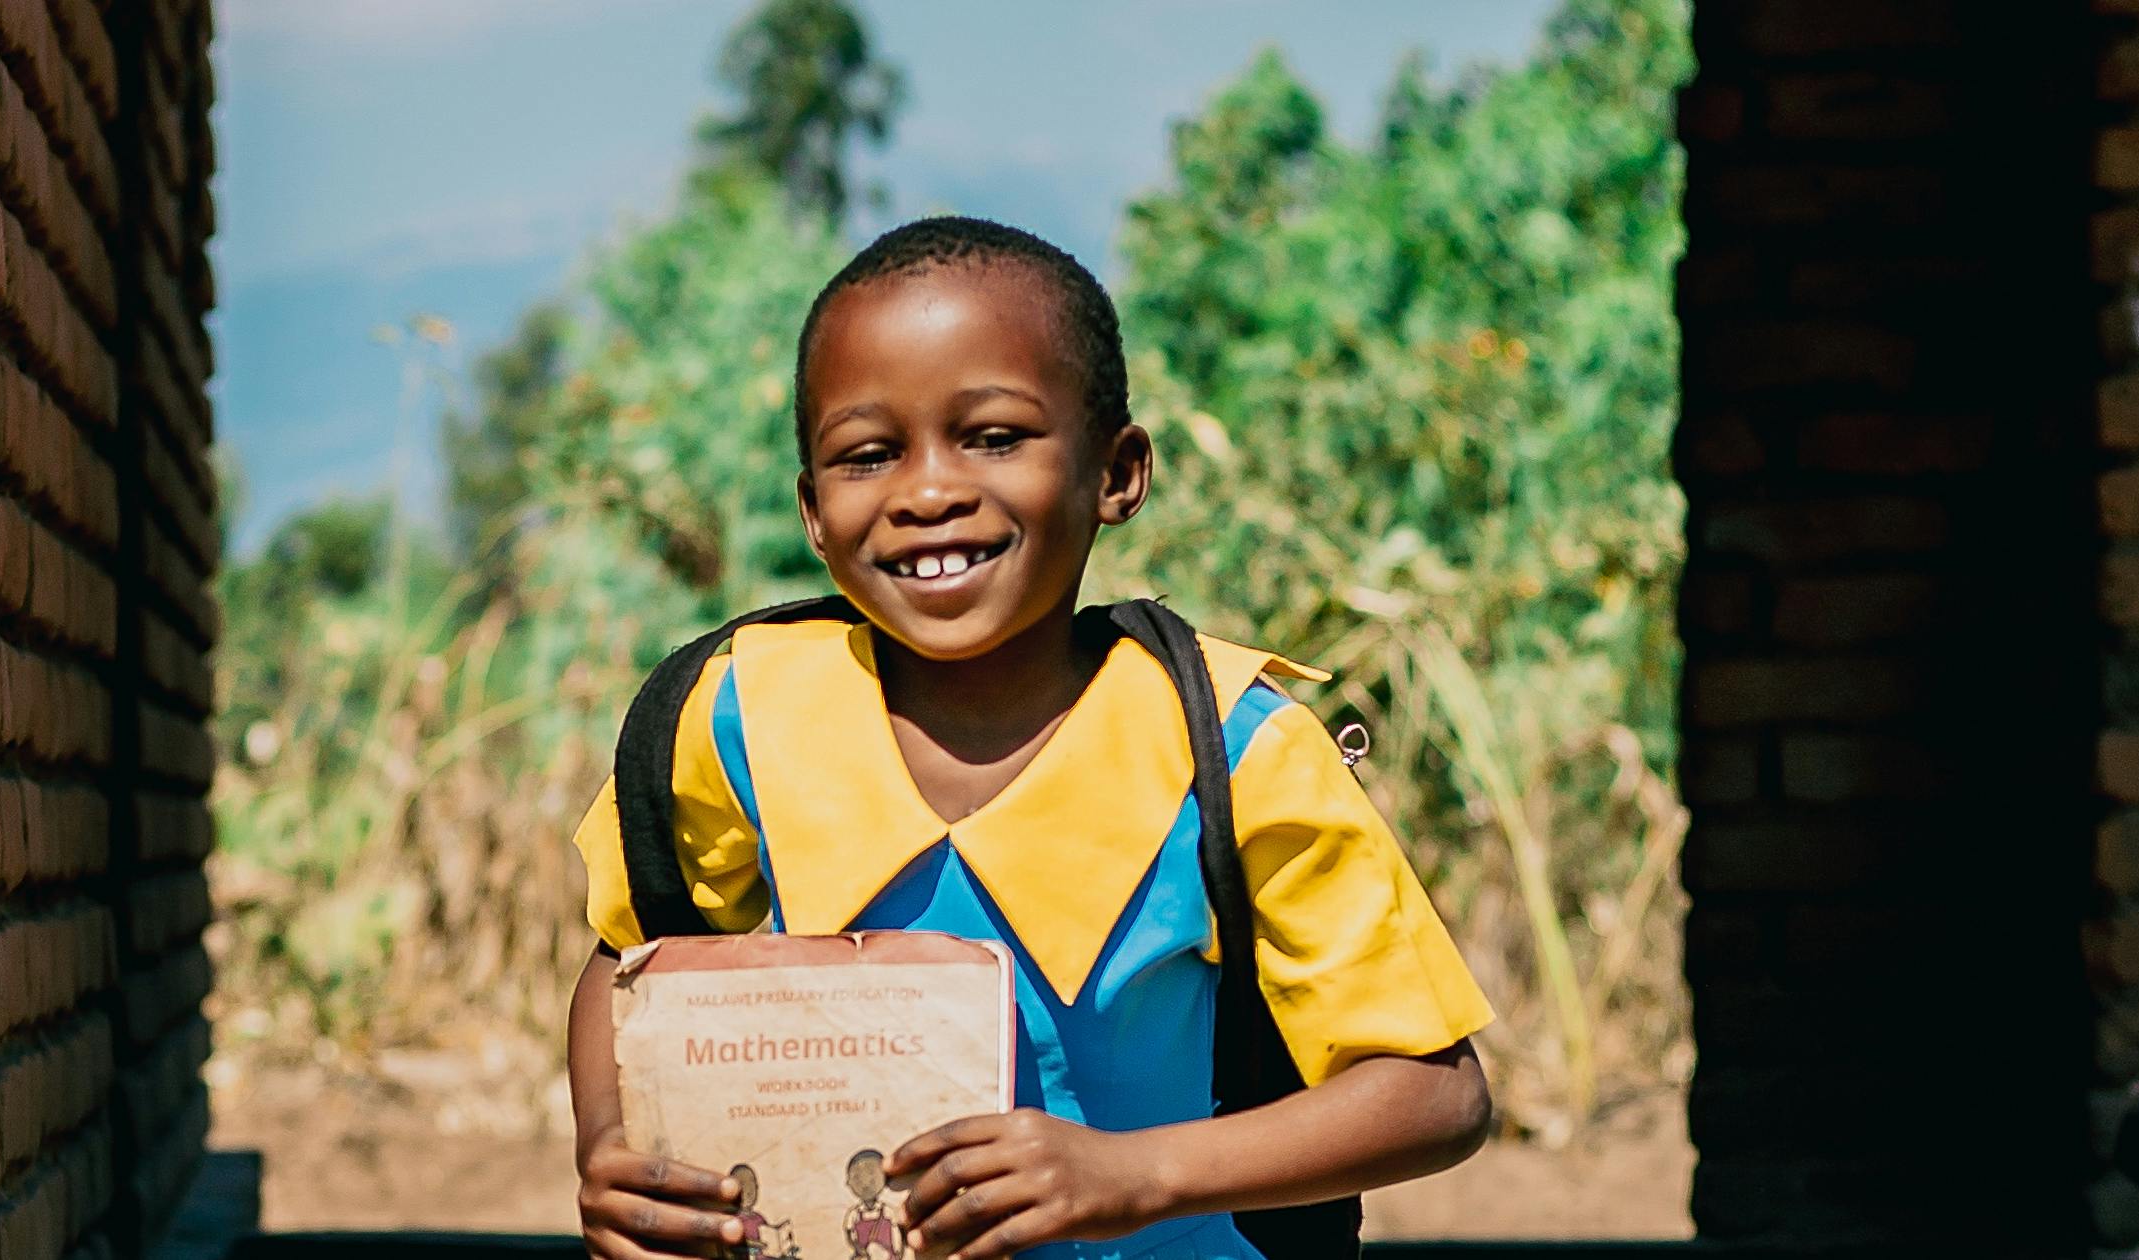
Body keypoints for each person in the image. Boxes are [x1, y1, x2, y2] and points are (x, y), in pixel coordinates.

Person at [563, 216, 1497, 1260]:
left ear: (1117, 474)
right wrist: (614, 1149)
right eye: (869, 455)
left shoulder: (1229, 748)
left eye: (995, 436)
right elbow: (627, 962)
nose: (928, 492)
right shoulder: (733, 721)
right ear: (815, 513)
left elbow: (1433, 1093)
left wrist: (1132, 1177)